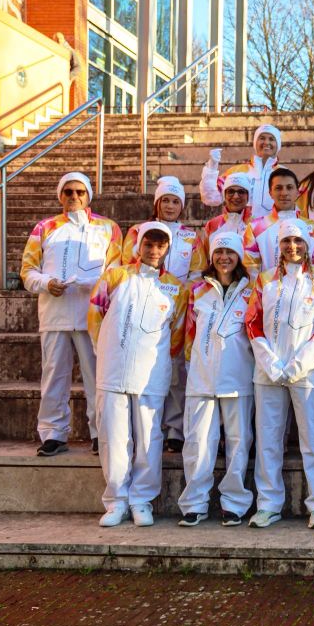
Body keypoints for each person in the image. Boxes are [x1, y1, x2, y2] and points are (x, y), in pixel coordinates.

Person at [88, 222, 189, 527]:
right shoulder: (115, 276)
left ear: (167, 249)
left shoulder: (175, 288)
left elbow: (178, 333)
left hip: (151, 372)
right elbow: (95, 315)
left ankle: (141, 499)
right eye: (149, 244)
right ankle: (116, 500)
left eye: (160, 246)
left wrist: (159, 360)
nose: (153, 251)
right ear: (139, 244)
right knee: (113, 437)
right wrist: (106, 350)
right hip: (113, 368)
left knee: (148, 437)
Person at [245, 220, 314, 530]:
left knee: (313, 441)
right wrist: (271, 363)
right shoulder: (265, 280)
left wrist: (298, 364)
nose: (292, 247)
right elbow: (253, 323)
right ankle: (269, 504)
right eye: (286, 241)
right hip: (268, 373)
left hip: (309, 374)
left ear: (308, 246)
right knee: (269, 441)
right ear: (279, 246)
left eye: (298, 241)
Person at [21, 172, 122, 457]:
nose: (74, 197)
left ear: (89, 195)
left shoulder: (107, 227)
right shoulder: (45, 227)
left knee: (95, 376)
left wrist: (92, 284)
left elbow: (116, 270)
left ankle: (99, 433)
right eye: (68, 192)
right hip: (54, 314)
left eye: (80, 192)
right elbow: (27, 271)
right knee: (53, 375)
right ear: (60, 195)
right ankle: (53, 433)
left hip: (93, 314)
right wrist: (46, 283)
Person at [178, 232, 255, 527]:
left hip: (238, 376)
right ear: (211, 257)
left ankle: (234, 503)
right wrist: (193, 366)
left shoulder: (251, 292)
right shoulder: (197, 290)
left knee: (238, 442)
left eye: (230, 252)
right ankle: (194, 502)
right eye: (219, 251)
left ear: (239, 257)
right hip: (202, 377)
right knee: (198, 442)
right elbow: (188, 333)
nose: (224, 257)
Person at [121, 176, 199, 453]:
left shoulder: (192, 236)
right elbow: (127, 263)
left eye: (175, 201)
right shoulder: (137, 231)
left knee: (177, 369)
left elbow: (198, 272)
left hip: (176, 305)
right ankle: (141, 427)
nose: (169, 205)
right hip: (142, 302)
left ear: (182, 206)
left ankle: (175, 429)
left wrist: (178, 293)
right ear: (156, 203)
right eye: (165, 200)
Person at [246, 168, 314, 277]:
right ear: (270, 193)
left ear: (297, 192)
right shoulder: (255, 228)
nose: (284, 193)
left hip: (305, 292)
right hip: (267, 292)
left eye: (289, 188)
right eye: (278, 188)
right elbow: (250, 268)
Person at [200, 124, 282, 216]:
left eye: (271, 139)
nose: (266, 142)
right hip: (242, 228)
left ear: (278, 144)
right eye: (262, 138)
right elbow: (211, 198)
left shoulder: (284, 174)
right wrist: (212, 167)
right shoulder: (237, 172)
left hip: (273, 228)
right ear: (255, 143)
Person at [191, 172, 259, 281]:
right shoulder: (212, 225)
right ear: (224, 195)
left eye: (241, 192)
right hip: (218, 286)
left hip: (249, 288)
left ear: (248, 196)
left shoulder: (257, 225)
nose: (236, 196)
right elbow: (206, 262)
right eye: (231, 191)